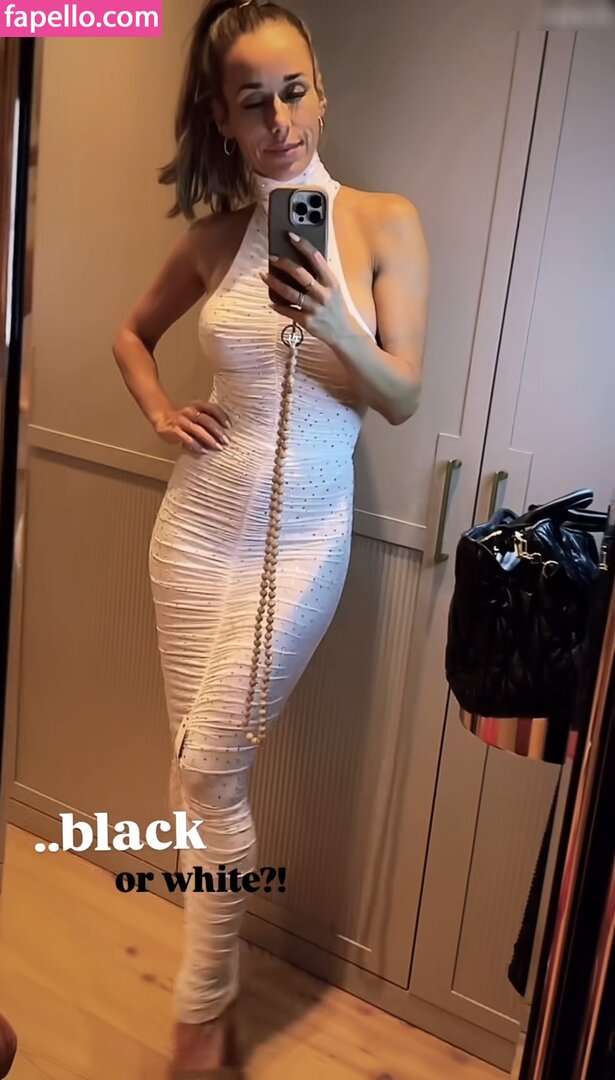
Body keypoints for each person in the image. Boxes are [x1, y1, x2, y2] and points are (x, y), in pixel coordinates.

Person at [112, 1, 429, 1075]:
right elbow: (131, 335)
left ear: (320, 93)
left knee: (207, 766)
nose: (279, 120)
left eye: (293, 92)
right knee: (198, 774)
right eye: (253, 103)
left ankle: (199, 1019)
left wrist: (336, 321)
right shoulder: (216, 241)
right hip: (196, 529)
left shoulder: (384, 223)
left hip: (304, 539)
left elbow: (400, 397)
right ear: (224, 119)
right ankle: (213, 1005)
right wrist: (162, 411)